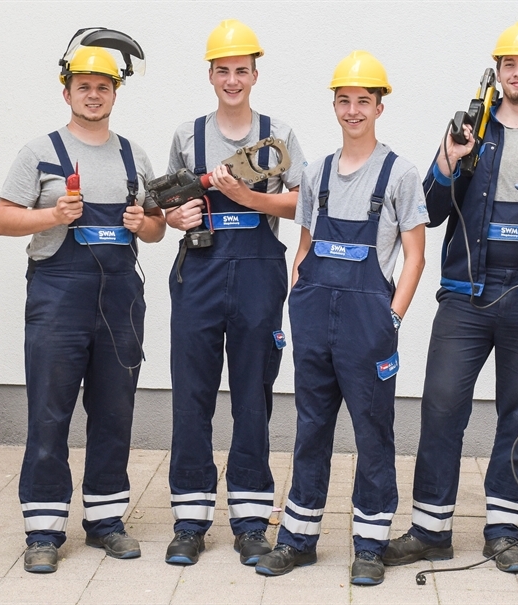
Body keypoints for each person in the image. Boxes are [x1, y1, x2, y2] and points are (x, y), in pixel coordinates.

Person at [384, 22, 518, 574]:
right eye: (508, 65)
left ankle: (502, 531)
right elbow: (431, 210)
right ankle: (430, 529)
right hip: (464, 297)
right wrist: (450, 158)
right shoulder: (468, 131)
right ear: (497, 72)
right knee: (442, 407)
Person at [0, 30, 165, 574]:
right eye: (84, 86)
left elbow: (157, 229)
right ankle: (43, 530)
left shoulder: (135, 156)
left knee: (114, 412)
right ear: (67, 92)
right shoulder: (40, 153)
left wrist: (147, 223)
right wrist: (50, 217)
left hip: (120, 303)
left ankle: (106, 520)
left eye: (103, 87)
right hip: (58, 298)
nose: (94, 95)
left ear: (116, 93)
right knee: (49, 411)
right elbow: (1, 219)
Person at [254, 50, 428, 586]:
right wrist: (296, 304)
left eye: (363, 101)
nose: (353, 110)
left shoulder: (400, 174)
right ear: (335, 105)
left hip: (368, 322)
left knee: (373, 433)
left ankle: (370, 544)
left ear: (379, 107)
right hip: (314, 318)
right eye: (345, 100)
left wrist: (392, 318)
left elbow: (416, 255)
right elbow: (303, 251)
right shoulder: (315, 173)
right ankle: (299, 538)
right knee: (310, 428)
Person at [163, 20, 307, 567]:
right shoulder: (188, 135)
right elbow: (165, 207)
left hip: (258, 271)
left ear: (254, 74)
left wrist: (244, 194)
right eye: (222, 70)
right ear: (211, 75)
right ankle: (190, 520)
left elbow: (300, 204)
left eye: (240, 70)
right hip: (199, 270)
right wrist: (175, 216)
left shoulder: (280, 133)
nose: (231, 79)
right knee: (192, 396)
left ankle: (250, 521)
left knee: (253, 397)